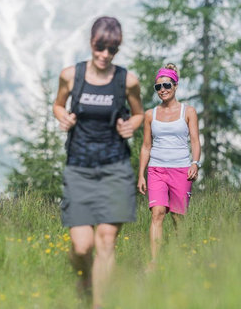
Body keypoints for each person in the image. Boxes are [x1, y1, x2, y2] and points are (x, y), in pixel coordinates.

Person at [53, 16, 143, 308]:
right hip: (79, 167)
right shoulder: (71, 75)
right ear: (91, 43)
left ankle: (99, 305)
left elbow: (139, 112)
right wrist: (62, 116)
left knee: (106, 240)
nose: (105, 55)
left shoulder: (127, 81)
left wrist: (133, 125)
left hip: (115, 167)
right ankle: (84, 284)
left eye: (112, 50)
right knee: (82, 246)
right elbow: (57, 104)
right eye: (100, 48)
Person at [137, 63, 201, 268]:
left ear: (175, 86)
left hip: (182, 170)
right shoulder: (150, 115)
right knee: (157, 213)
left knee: (178, 217)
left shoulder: (188, 111)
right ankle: (154, 263)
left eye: (166, 85)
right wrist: (141, 175)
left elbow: (195, 141)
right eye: (158, 87)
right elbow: (146, 146)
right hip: (156, 169)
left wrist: (195, 163)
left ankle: (182, 259)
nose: (162, 89)